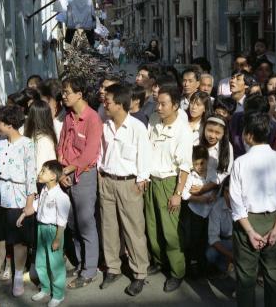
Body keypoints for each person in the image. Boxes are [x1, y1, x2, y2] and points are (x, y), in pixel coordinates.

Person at [230, 112, 276, 307]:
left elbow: (236, 202)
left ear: (248, 135)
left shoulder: (240, 163)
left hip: (247, 222)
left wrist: (249, 231)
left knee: (246, 277)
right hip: (275, 220)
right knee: (274, 276)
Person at [98, 84, 150, 296]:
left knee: (133, 229)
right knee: (108, 227)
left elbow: (145, 156)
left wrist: (141, 179)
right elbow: (101, 151)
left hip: (130, 183)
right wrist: (100, 172)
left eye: (108, 101)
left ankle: (139, 273)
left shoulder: (137, 127)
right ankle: (113, 268)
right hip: (107, 180)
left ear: (120, 104)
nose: (105, 103)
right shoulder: (105, 126)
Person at [145, 87, 194, 292]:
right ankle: (159, 261)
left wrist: (177, 193)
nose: (159, 107)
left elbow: (185, 166)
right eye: (158, 103)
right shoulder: (153, 121)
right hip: (151, 181)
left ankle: (177, 272)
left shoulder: (183, 130)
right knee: (152, 226)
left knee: (170, 232)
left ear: (175, 105)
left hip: (169, 182)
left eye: (164, 104)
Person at [57, 77, 102, 288]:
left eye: (67, 92)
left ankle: (90, 269)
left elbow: (89, 153)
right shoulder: (68, 117)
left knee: (86, 223)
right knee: (73, 224)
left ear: (79, 94)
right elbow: (61, 144)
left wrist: (69, 168)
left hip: (83, 176)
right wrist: (61, 170)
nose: (63, 96)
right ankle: (81, 261)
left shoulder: (92, 119)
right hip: (66, 175)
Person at [0, 105, 36, 297]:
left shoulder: (27, 144)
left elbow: (31, 176)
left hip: (17, 198)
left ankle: (18, 276)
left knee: (19, 243)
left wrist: (29, 204)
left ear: (10, 124)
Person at [17, 161, 71, 307]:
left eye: (43, 171)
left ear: (53, 176)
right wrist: (23, 214)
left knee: (55, 264)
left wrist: (58, 239)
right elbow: (36, 205)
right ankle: (46, 288)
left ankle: (58, 294)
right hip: (41, 228)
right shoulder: (44, 191)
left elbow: (62, 220)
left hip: (53, 231)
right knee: (41, 261)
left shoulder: (60, 196)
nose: (40, 173)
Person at [182, 145, 214, 275]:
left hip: (208, 213)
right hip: (195, 212)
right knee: (193, 238)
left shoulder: (212, 173)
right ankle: (192, 263)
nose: (199, 166)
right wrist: (199, 199)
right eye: (196, 164)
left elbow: (217, 186)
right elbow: (184, 195)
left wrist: (213, 195)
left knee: (205, 238)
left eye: (202, 163)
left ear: (207, 160)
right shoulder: (191, 175)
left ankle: (203, 263)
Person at [206, 176, 233, 274]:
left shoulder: (246, 205)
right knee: (210, 254)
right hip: (226, 242)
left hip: (243, 243)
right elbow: (213, 238)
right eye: (227, 192)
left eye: (233, 192)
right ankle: (224, 265)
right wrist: (230, 255)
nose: (230, 196)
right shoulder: (217, 207)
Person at [24, 99, 57, 175]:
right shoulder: (32, 134)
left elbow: (39, 168)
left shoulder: (44, 140)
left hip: (39, 182)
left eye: (30, 113)